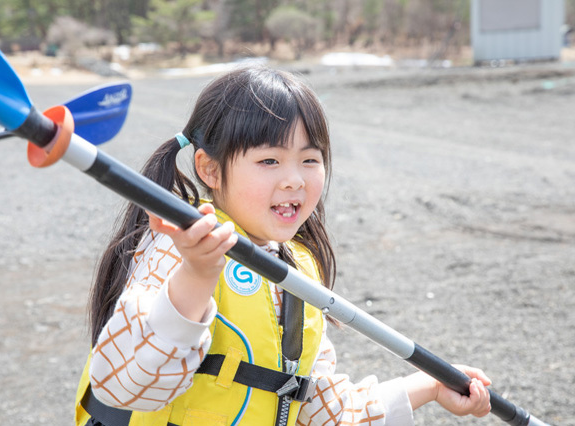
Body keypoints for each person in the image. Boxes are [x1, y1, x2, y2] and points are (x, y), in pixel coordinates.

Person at [75, 66, 491, 426]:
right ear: (210, 169)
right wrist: (197, 275)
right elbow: (122, 385)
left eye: (310, 160)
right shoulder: (181, 246)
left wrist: (429, 385)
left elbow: (318, 411)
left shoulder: (298, 269)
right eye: (269, 161)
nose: (295, 179)